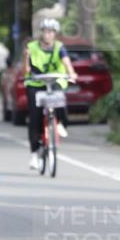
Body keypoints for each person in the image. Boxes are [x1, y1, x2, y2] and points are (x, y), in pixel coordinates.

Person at [23, 18, 78, 171]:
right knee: (34, 118)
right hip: (36, 83)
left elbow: (66, 62)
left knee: (59, 98)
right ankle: (35, 153)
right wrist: (25, 58)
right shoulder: (32, 47)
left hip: (55, 80)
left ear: (55, 34)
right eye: (45, 32)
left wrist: (72, 73)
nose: (47, 35)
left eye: (51, 32)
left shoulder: (59, 47)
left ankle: (59, 122)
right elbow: (26, 70)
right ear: (41, 33)